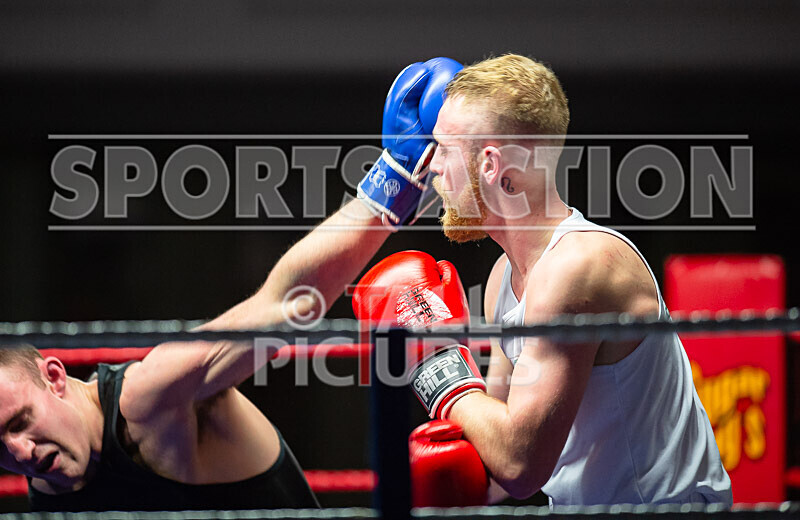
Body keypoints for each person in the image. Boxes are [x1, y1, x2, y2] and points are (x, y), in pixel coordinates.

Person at [0, 57, 462, 512]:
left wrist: (396, 178)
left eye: (21, 421)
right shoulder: (53, 488)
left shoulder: (152, 399)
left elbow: (286, 304)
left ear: (55, 377)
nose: (20, 453)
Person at [352, 54, 733, 506]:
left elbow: (519, 464)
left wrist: (438, 366)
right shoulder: (504, 277)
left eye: (444, 149)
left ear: (491, 166)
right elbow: (495, 462)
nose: (430, 167)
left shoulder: (579, 266)